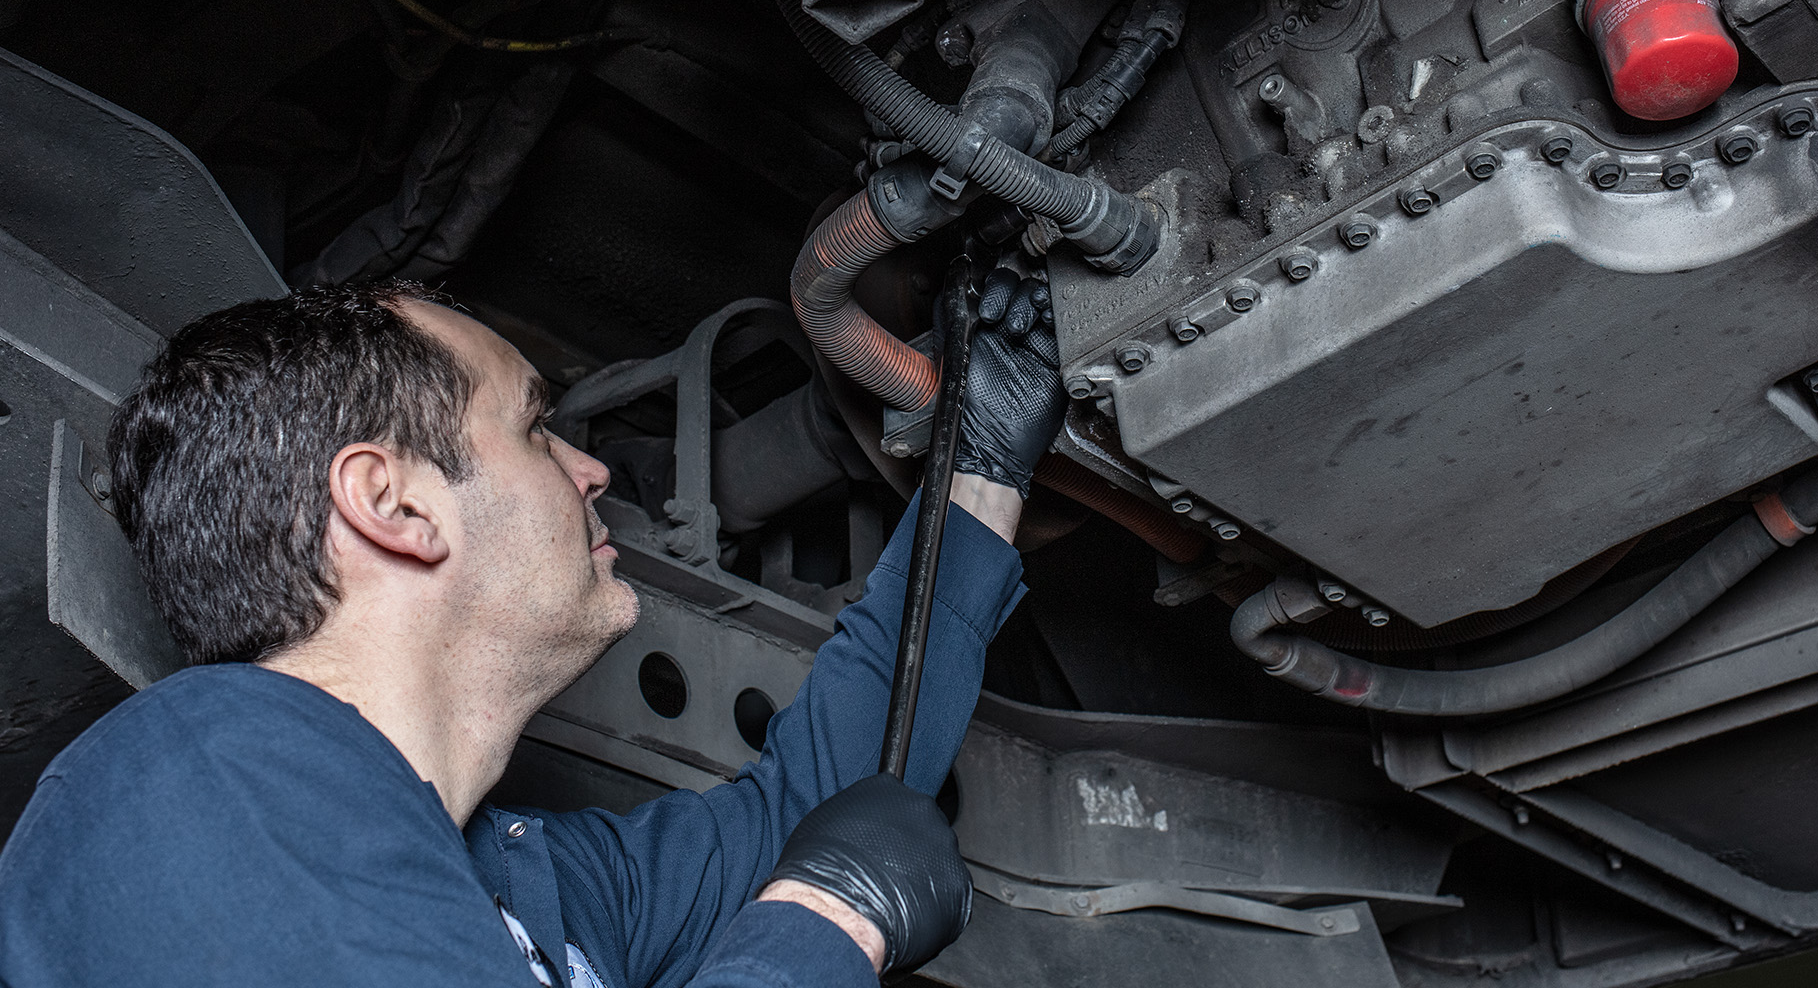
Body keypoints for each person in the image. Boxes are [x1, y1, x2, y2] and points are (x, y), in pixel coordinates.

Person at [0, 268, 1065, 988]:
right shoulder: (201, 786)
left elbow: (812, 814)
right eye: (533, 426)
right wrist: (822, 929)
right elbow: (819, 886)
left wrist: (982, 470)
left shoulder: (522, 888)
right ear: (397, 506)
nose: (592, 469)